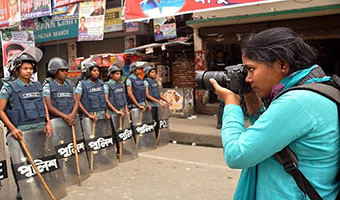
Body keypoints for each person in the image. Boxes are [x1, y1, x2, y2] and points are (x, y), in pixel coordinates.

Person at [210, 27, 339, 199]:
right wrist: (250, 95)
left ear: (282, 65)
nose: (248, 78)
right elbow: (267, 137)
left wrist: (231, 104)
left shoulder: (296, 101)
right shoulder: (318, 89)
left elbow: (237, 155)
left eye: (251, 69)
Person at [0, 48, 52, 199]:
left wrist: (48, 123)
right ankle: (22, 194)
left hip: (39, 131)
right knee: (22, 165)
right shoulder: (8, 87)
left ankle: (40, 190)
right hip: (20, 134)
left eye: (31, 68)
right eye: (25, 68)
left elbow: (43, 106)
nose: (29, 71)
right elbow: (1, 110)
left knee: (41, 162)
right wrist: (13, 129)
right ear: (17, 69)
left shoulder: (37, 85)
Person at [43, 57, 78, 126]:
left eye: (66, 71)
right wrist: (65, 117)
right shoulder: (47, 86)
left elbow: (76, 101)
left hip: (72, 120)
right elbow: (49, 106)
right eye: (62, 71)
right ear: (54, 71)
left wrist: (72, 114)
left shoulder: (70, 84)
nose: (65, 73)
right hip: (56, 122)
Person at [144, 65, 168, 138]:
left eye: (154, 72)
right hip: (151, 105)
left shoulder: (155, 81)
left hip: (157, 105)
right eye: (152, 72)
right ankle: (151, 138)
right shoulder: (146, 82)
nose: (154, 73)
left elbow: (158, 93)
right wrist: (158, 102)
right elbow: (147, 95)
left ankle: (156, 138)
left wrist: (166, 100)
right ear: (148, 74)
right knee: (151, 122)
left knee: (158, 122)